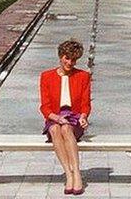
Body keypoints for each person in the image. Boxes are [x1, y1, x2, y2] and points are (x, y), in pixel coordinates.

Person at [39, 39, 91, 195]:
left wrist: (83, 117)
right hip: (54, 117)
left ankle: (77, 173)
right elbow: (44, 106)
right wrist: (56, 117)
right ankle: (68, 174)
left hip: (73, 118)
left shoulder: (83, 76)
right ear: (60, 56)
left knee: (66, 128)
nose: (70, 62)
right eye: (67, 58)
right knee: (55, 129)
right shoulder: (46, 76)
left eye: (74, 59)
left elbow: (85, 103)